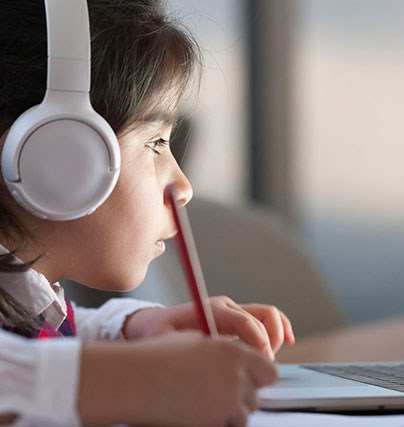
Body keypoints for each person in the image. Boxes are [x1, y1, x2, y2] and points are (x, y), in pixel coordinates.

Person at [0, 1, 295, 426]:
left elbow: (25, 346)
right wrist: (130, 380)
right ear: (52, 157)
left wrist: (130, 330)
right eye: (156, 142)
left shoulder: (21, 296)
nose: (184, 185)